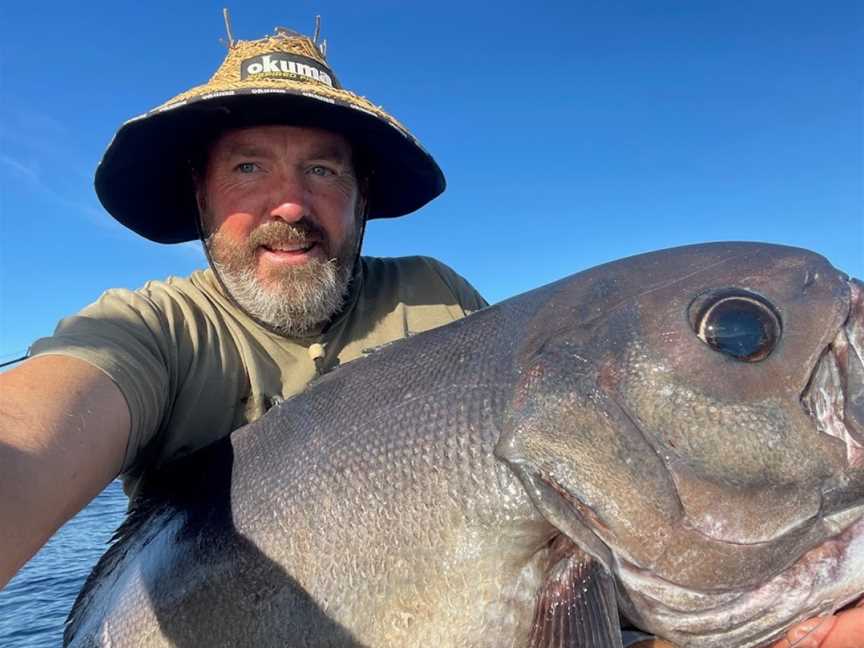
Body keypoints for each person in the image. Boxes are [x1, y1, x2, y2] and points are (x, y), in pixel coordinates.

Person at [0, 21, 860, 648]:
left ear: (361, 196)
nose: (290, 204)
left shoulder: (435, 299)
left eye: (324, 169)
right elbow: (32, 432)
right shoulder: (152, 329)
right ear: (202, 197)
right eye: (249, 167)